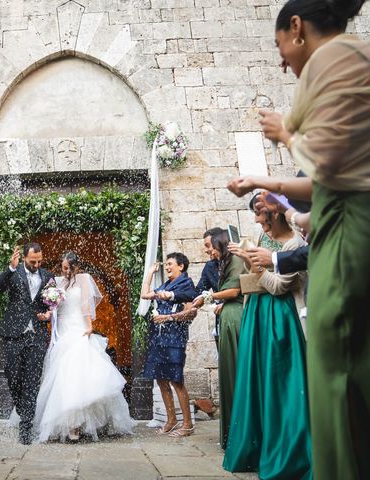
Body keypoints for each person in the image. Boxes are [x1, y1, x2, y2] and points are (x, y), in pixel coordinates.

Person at [257, 1, 370, 476]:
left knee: (336, 370)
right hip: (336, 221)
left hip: (345, 233)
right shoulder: (353, 57)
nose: (282, 59)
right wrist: (282, 198)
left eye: (280, 43)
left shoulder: (334, 58)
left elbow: (326, 164)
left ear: (297, 28)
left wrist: (285, 133)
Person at [223, 199, 311, 479]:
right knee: (257, 382)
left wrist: (255, 263)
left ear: (276, 214)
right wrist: (249, 260)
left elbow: (277, 287)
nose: (260, 227)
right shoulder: (264, 236)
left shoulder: (295, 245)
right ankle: (255, 450)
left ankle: (287, 454)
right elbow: (252, 277)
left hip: (281, 319)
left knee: (280, 385)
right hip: (257, 314)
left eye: (263, 220)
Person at [34, 252, 135, 442]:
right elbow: (52, 307)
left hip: (78, 329)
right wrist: (47, 315)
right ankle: (65, 423)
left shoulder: (84, 279)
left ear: (75, 267)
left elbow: (85, 304)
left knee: (77, 374)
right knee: (61, 375)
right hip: (62, 331)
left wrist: (89, 326)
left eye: (67, 268)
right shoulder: (57, 282)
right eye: (62, 267)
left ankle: (76, 425)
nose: (64, 271)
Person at [0, 243, 53, 444]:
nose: (36, 264)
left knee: (32, 379)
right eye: (32, 261)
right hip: (13, 333)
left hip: (37, 335)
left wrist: (49, 314)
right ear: (24, 258)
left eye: (39, 261)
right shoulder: (14, 272)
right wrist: (9, 268)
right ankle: (21, 407)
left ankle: (26, 425)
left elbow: (52, 304)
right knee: (12, 374)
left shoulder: (47, 276)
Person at [192, 230, 245, 449]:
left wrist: (210, 297)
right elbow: (198, 289)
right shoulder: (212, 266)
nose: (207, 250)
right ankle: (232, 430)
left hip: (235, 320)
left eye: (208, 245)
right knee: (228, 373)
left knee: (237, 373)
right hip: (223, 323)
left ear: (218, 243)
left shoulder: (236, 259)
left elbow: (236, 290)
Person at [140, 253, 198, 437]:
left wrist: (167, 317)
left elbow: (191, 313)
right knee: (161, 379)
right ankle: (171, 420)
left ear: (181, 266)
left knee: (176, 380)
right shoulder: (165, 286)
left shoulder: (187, 285)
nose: (167, 267)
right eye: (166, 264)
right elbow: (144, 294)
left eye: (170, 264)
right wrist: (150, 272)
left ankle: (187, 424)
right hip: (159, 337)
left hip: (175, 338)